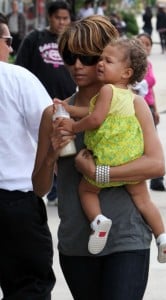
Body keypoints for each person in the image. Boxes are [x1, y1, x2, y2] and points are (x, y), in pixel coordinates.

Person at [32, 15, 166, 300]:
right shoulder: (55, 114)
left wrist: (97, 172)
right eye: (70, 56)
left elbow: (156, 165)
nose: (78, 65)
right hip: (76, 244)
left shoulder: (133, 105)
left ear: (106, 58)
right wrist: (52, 154)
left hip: (126, 239)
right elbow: (40, 188)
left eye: (87, 56)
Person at [57, 36, 166, 262]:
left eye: (108, 61)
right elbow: (90, 111)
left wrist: (73, 125)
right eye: (100, 59)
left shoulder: (107, 91)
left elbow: (95, 119)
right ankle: (163, 237)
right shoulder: (131, 98)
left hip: (106, 158)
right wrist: (69, 108)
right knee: (143, 200)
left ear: (126, 73)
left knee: (87, 190)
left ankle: (98, 221)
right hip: (130, 157)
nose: (101, 63)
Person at [0, 16, 55, 299]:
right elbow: (53, 125)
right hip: (15, 202)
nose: (10, 49)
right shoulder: (17, 78)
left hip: (17, 200)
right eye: (8, 42)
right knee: (28, 288)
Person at [15, 0, 76, 206]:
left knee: (67, 147)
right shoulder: (35, 39)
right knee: (45, 148)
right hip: (40, 106)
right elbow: (21, 68)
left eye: (65, 18)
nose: (61, 22)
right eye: (58, 18)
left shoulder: (72, 41)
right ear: (50, 17)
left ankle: (62, 189)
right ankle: (49, 190)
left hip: (69, 104)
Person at [136, 32, 166, 192]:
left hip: (148, 107)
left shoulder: (149, 65)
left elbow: (151, 90)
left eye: (148, 44)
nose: (145, 46)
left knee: (153, 144)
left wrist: (155, 109)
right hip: (135, 109)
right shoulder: (131, 65)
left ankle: (157, 181)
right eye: (141, 43)